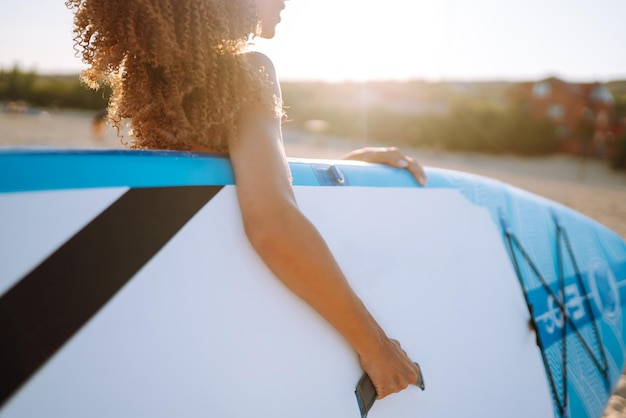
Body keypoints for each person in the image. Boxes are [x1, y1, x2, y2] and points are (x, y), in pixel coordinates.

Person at [65, 0, 426, 399]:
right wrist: (376, 346)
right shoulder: (246, 70)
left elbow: (226, 179)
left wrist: (342, 168)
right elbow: (272, 224)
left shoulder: (159, 80)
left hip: (174, 327)